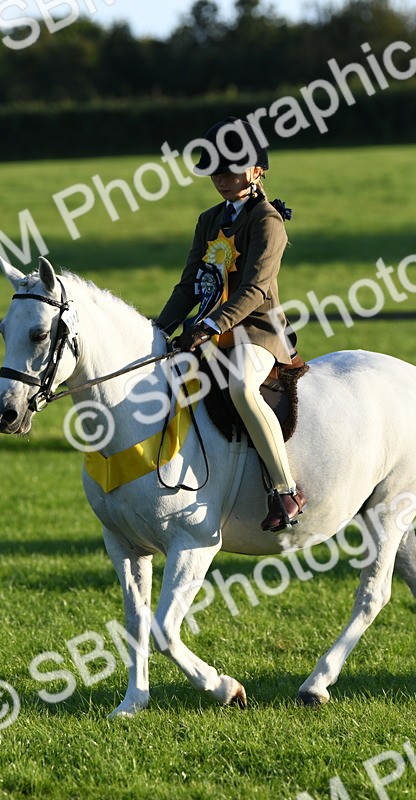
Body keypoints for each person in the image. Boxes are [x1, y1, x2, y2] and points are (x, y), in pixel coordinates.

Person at [154, 117, 307, 533]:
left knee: (240, 384)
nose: (222, 177)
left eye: (232, 168)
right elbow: (189, 284)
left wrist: (207, 325)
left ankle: (284, 488)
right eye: (216, 170)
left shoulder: (267, 220)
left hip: (258, 331)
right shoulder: (208, 220)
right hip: (211, 329)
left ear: (257, 170)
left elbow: (256, 289)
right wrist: (158, 327)